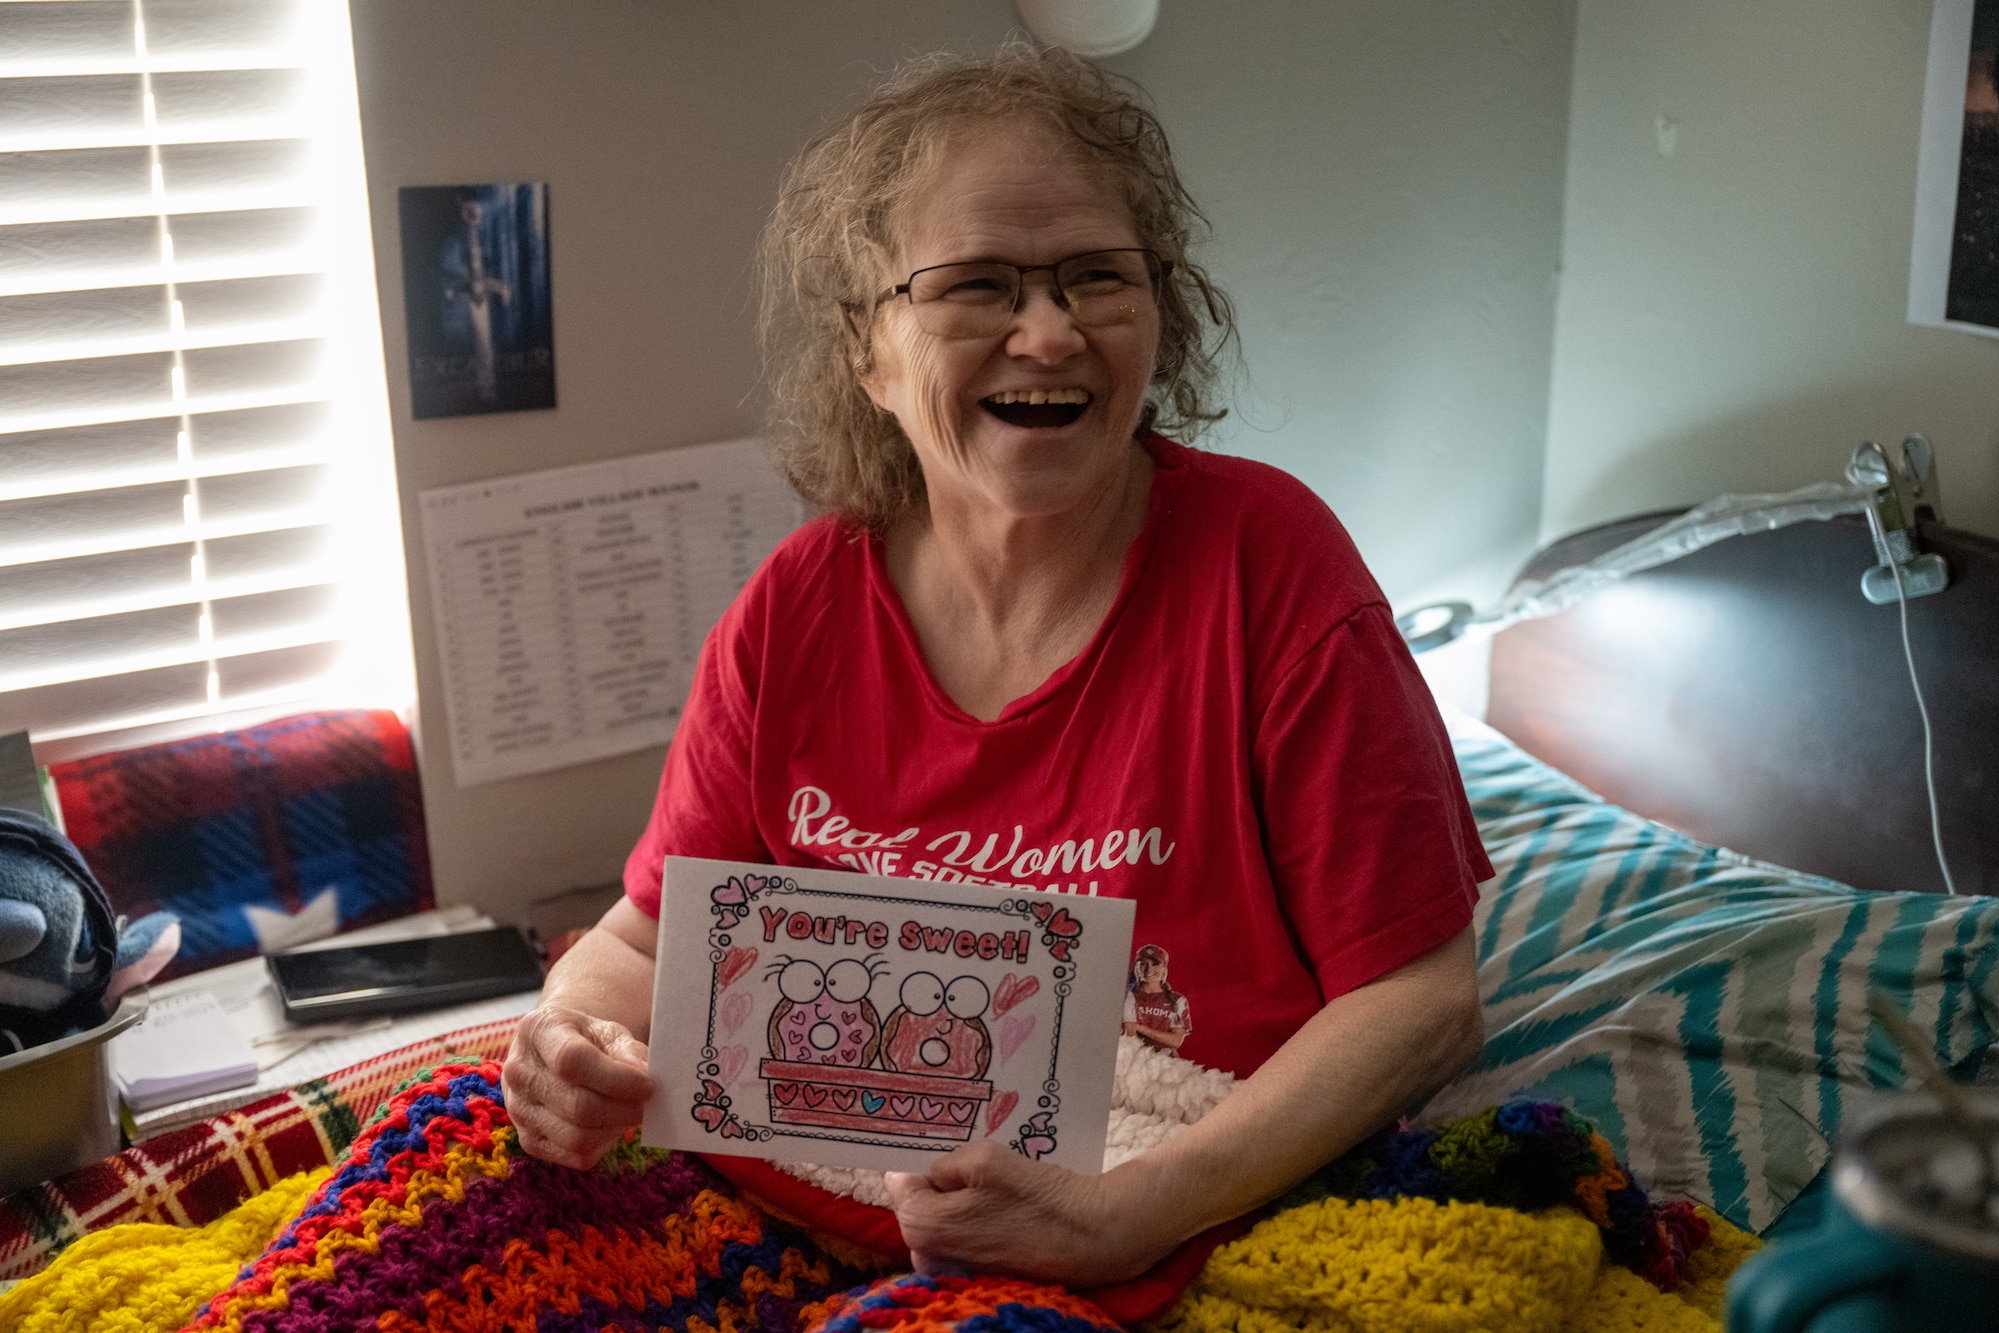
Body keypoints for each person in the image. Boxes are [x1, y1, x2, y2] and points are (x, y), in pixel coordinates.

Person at [501, 44, 1490, 1288]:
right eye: (975, 286)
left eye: (1095, 277)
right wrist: (562, 1039)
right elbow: (645, 948)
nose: (1047, 330)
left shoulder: (1271, 570)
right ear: (868, 353)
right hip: (780, 1206)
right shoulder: (795, 607)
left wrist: (1128, 1212)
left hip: (1153, 1224)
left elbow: (1420, 999)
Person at [1122, 944, 1190, 1053]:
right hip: (1134, 1059)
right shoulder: (1127, 997)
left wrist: (1140, 1028)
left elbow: (1176, 1040)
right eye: (1143, 963)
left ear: (1164, 968)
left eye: (1155, 964)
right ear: (1136, 967)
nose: (1149, 969)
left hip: (1164, 1064)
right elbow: (1128, 1035)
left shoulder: (1178, 1000)